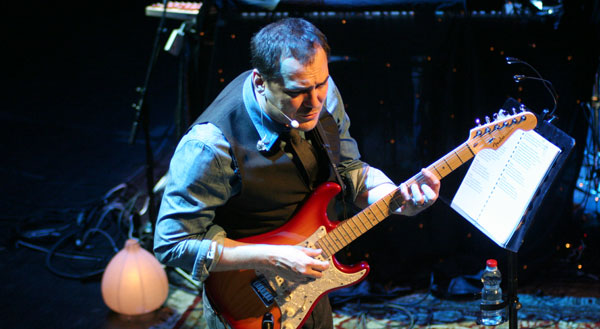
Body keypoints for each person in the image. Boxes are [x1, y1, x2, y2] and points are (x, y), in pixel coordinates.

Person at [154, 17, 440, 329]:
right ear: (260, 82)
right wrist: (272, 257)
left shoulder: (323, 95)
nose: (315, 102)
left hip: (310, 284)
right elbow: (173, 244)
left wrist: (399, 200)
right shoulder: (209, 147)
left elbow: (349, 172)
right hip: (245, 294)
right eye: (298, 91)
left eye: (321, 83)